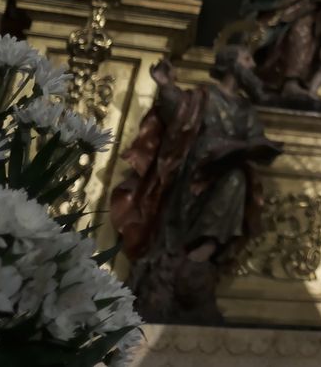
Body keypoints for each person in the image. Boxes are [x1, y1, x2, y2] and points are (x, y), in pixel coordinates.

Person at [110, 46, 282, 325]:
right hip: (192, 172)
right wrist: (167, 86)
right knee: (181, 212)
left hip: (227, 172)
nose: (252, 65)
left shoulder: (244, 109)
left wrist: (259, 147)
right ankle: (175, 255)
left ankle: (205, 249)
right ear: (230, 64)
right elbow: (179, 110)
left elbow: (255, 137)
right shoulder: (204, 96)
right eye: (246, 58)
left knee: (237, 180)